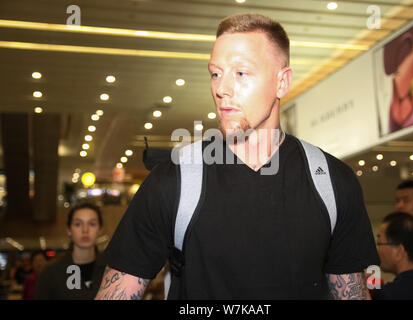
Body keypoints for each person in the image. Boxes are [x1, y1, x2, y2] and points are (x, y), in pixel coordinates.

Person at [96, 13, 380, 300]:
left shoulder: (332, 182)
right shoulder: (174, 182)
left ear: (282, 82)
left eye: (241, 73)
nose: (221, 89)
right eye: (216, 73)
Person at [34, 202, 106, 299]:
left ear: (100, 230)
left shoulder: (111, 269)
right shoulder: (51, 273)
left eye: (92, 224)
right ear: (69, 230)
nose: (85, 230)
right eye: (78, 224)